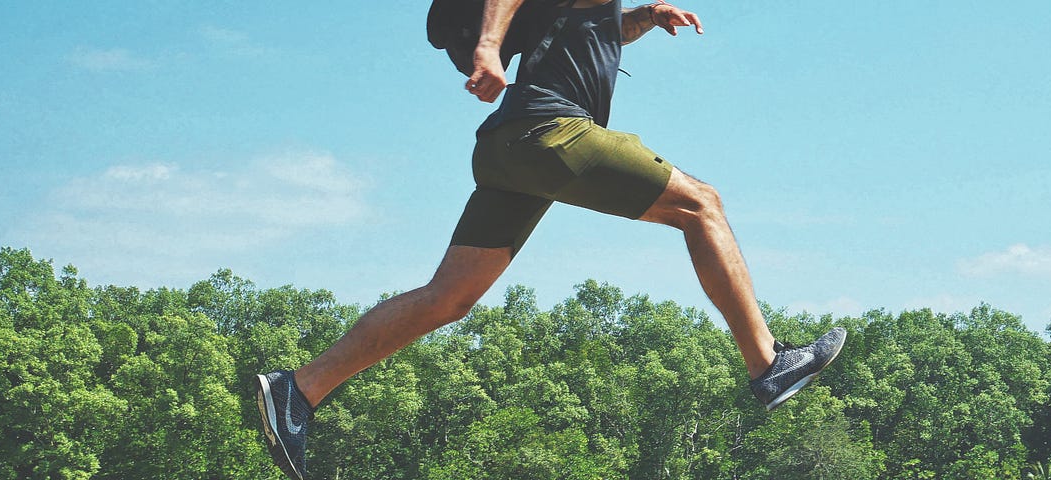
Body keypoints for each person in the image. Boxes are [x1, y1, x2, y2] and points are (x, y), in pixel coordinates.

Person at [254, 1, 846, 478]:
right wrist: (488, 46)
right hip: (548, 131)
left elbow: (592, 30)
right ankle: (769, 365)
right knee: (701, 205)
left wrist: (644, 18)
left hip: (510, 147)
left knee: (449, 298)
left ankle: (298, 390)